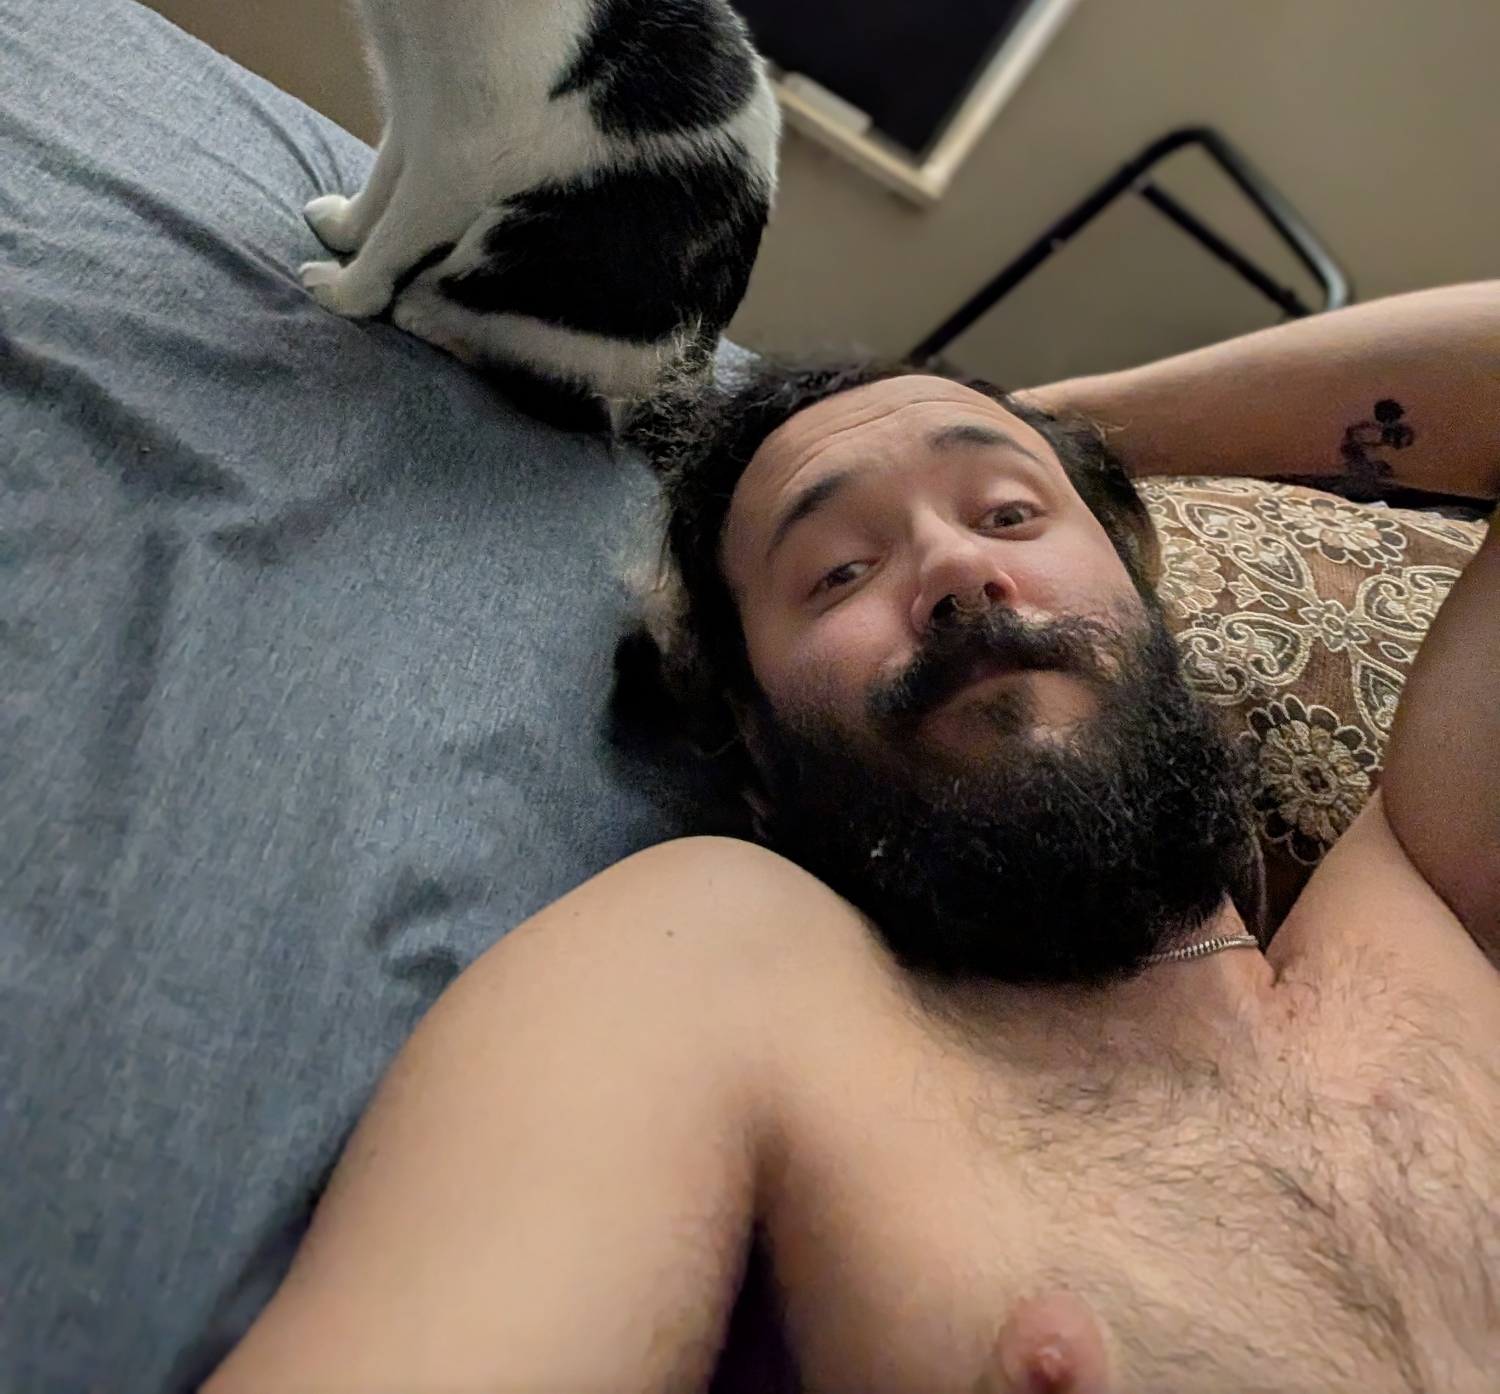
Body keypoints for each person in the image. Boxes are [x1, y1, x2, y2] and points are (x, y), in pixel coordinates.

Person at [206, 286, 1500, 1392]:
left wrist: (1062, 431)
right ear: (756, 748)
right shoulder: (727, 964)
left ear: (1146, 601)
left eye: (1010, 515)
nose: (956, 571)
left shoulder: (1427, 903)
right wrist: (1008, 464)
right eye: (837, 571)